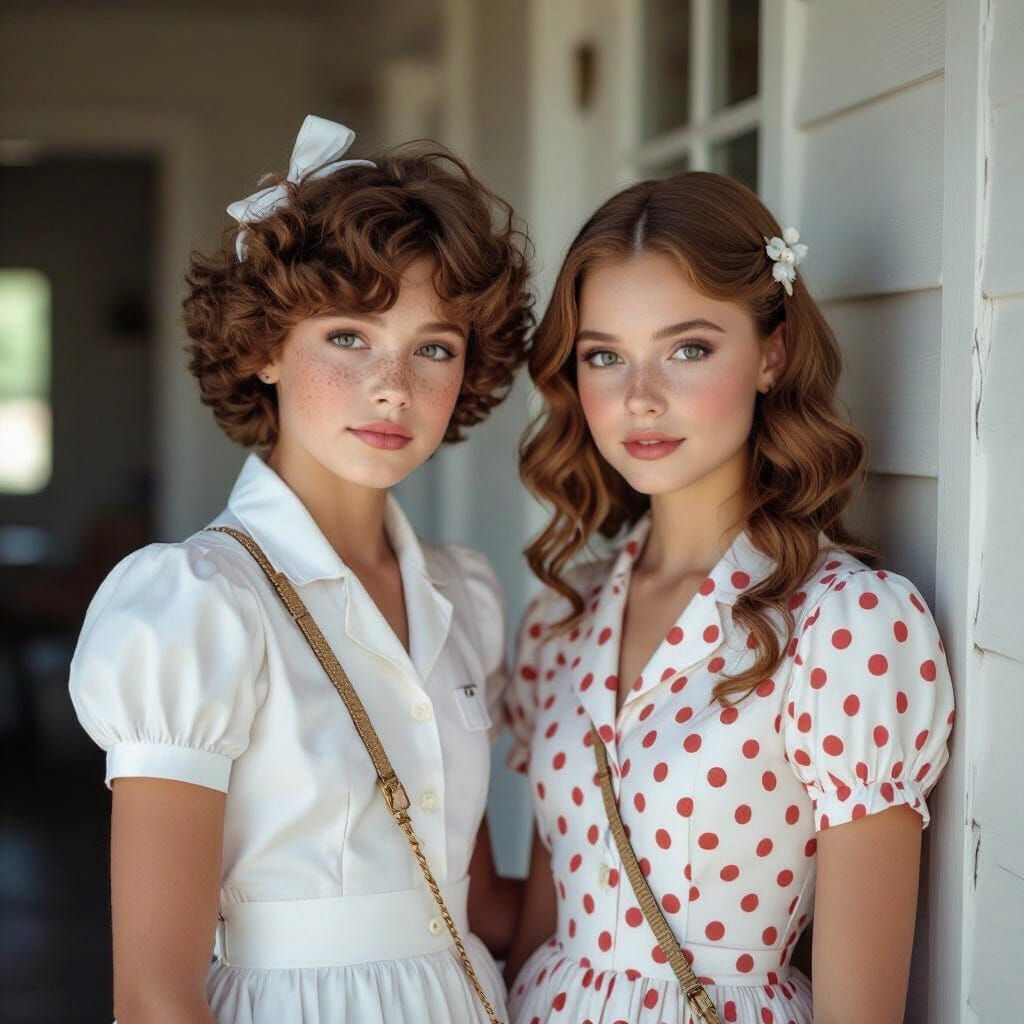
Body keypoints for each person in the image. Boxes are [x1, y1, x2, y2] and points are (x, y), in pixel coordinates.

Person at [69, 115, 532, 1024]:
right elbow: (153, 994)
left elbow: (484, 907)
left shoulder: (463, 597)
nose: (394, 384)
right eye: (350, 338)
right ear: (265, 347)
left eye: (434, 347)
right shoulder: (198, 605)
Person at [502, 171, 955, 1023]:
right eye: (605, 356)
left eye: (688, 349)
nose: (640, 398)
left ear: (772, 353)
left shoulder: (845, 625)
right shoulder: (562, 620)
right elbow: (541, 928)